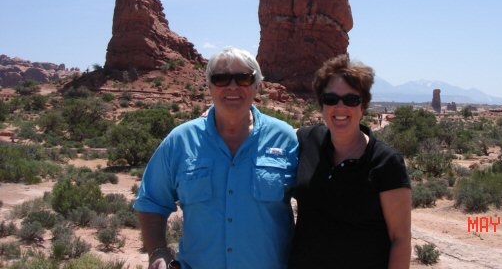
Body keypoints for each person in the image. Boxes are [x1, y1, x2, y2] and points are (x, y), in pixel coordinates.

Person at [133, 48, 298, 269]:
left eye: (243, 78)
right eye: (220, 79)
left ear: (257, 85)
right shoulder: (180, 141)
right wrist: (158, 252)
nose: (232, 86)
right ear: (209, 86)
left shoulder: (284, 138)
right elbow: (151, 201)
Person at [289, 54, 412, 269]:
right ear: (322, 105)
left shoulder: (385, 162)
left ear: (362, 107)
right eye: (331, 99)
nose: (340, 107)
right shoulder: (306, 141)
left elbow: (400, 239)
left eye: (351, 100)